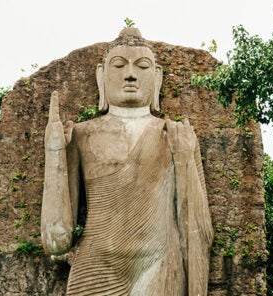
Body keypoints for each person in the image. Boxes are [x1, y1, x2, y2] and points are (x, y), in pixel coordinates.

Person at [40, 28, 213, 295]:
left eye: (141, 66)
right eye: (119, 65)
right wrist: (54, 155)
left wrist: (184, 157)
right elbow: (57, 242)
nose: (130, 74)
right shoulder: (81, 135)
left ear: (157, 78)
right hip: (95, 269)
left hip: (157, 264)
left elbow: (196, 226)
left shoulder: (175, 135)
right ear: (101, 77)